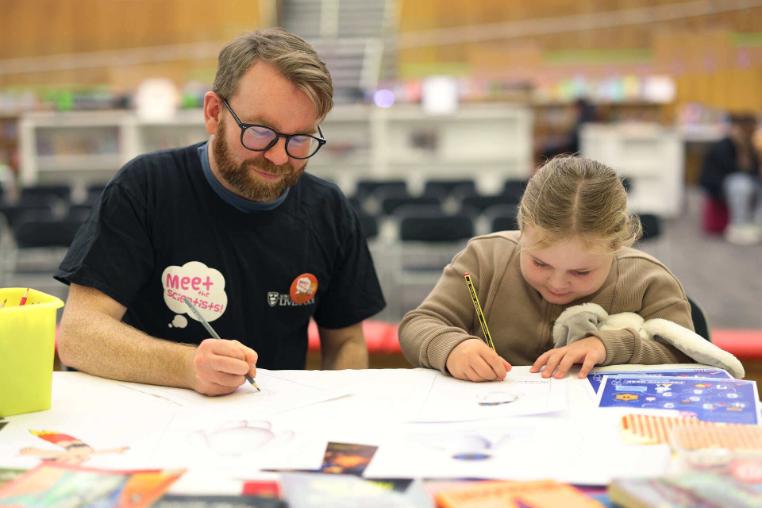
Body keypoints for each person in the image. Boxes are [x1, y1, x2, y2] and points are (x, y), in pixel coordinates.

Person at [55, 28, 385, 396]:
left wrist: (335, 408)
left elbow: (346, 343)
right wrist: (186, 366)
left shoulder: (328, 211)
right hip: (151, 425)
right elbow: (79, 336)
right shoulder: (146, 187)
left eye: (300, 139)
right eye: (260, 132)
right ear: (214, 113)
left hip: (275, 429)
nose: (279, 157)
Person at [398, 155, 694, 382]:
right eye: (540, 263)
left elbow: (689, 357)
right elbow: (419, 323)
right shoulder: (483, 259)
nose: (557, 283)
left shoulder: (648, 280)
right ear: (522, 228)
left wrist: (612, 346)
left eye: (581, 272)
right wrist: (451, 347)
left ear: (617, 245)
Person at [699, 112, 761, 245]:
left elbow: (753, 172)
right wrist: (741, 151)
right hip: (721, 187)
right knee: (741, 183)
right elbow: (724, 173)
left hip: (746, 185)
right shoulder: (722, 146)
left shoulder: (751, 146)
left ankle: (757, 224)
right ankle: (738, 226)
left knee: (747, 183)